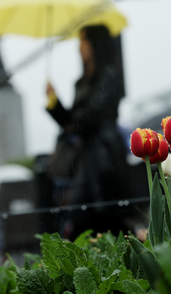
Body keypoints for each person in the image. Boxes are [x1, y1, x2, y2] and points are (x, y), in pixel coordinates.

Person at [45, 25, 132, 240]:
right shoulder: (81, 82)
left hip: (105, 155)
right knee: (85, 217)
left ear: (95, 45)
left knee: (104, 215)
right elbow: (72, 122)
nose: (79, 48)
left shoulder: (109, 76)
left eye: (83, 42)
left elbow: (89, 118)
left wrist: (74, 121)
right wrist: (54, 102)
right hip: (86, 157)